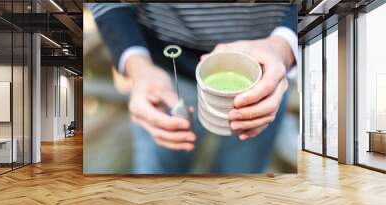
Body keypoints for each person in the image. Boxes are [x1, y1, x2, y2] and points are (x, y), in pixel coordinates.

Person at [89, 3, 297, 174]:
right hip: (165, 73)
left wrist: (284, 45)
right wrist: (138, 66)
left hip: (264, 73)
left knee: (242, 176)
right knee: (159, 179)